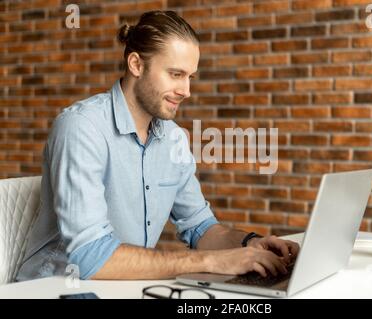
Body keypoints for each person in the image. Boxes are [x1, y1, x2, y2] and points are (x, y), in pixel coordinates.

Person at [16, 11, 299, 282]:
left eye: (190, 77)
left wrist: (251, 244)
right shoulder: (82, 128)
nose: (186, 91)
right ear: (136, 65)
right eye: (176, 74)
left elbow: (200, 226)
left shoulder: (173, 138)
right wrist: (212, 261)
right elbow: (90, 256)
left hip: (120, 288)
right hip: (54, 287)